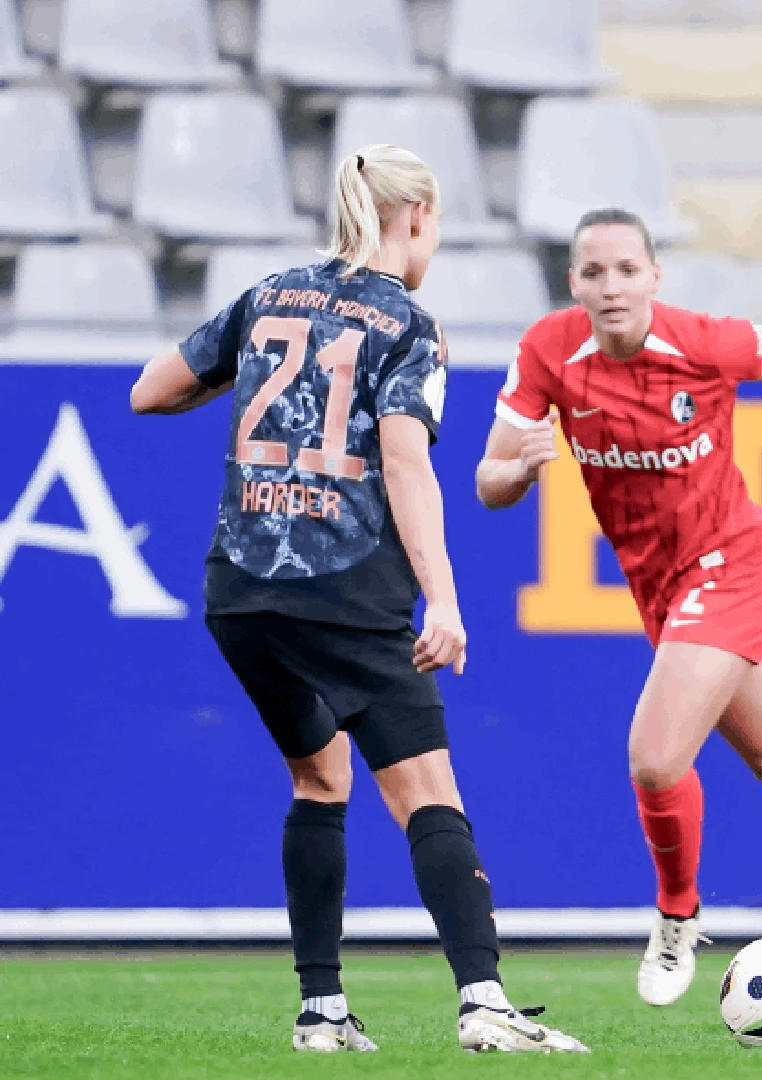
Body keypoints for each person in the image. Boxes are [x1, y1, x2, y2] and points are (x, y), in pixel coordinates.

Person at [128, 146, 587, 1054]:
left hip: (241, 591)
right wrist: (443, 601)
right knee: (428, 797)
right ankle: (485, 1003)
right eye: (437, 225)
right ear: (415, 217)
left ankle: (322, 1013)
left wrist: (258, 379)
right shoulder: (409, 323)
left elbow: (151, 391)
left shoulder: (271, 295)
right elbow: (408, 461)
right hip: (342, 594)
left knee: (319, 777)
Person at [476, 207, 762, 1011]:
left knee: (656, 757)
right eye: (594, 272)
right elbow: (488, 481)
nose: (612, 285)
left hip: (737, 565)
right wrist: (519, 470)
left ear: (655, 276)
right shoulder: (548, 351)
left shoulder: (706, 342)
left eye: (628, 268)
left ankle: (676, 916)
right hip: (661, 590)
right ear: (574, 284)